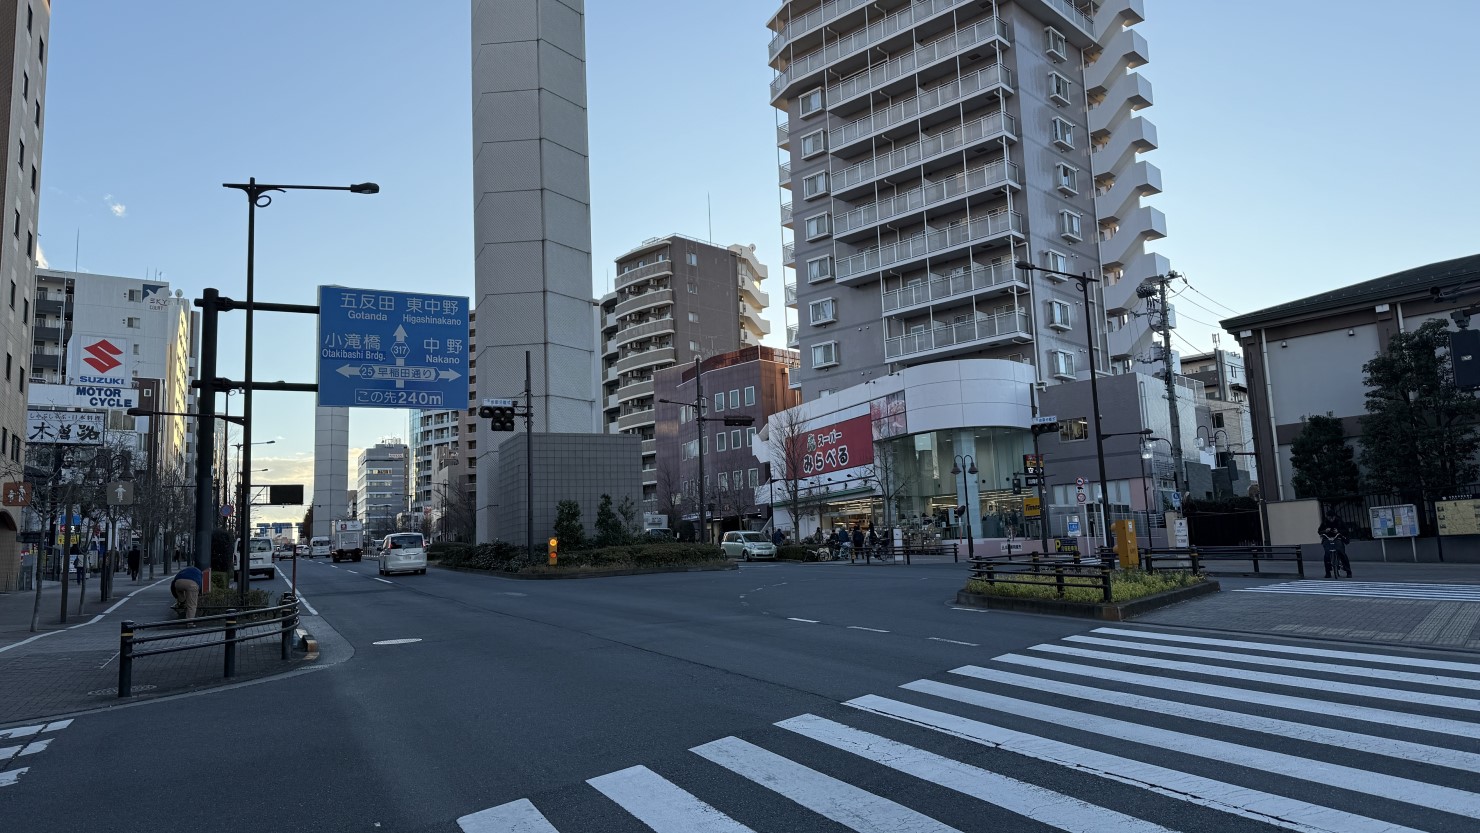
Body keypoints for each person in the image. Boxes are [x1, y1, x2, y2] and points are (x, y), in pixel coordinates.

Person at [1318, 510, 1352, 579]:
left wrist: (1338, 531)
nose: (1330, 519)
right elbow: (1319, 531)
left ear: (1334, 517)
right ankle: (1328, 572)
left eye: (1331, 518)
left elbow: (1346, 530)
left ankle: (1348, 572)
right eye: (1328, 518)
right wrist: (1325, 531)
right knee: (1327, 554)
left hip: (1338, 538)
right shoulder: (1325, 522)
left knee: (1341, 553)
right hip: (1327, 538)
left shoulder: (1339, 521)